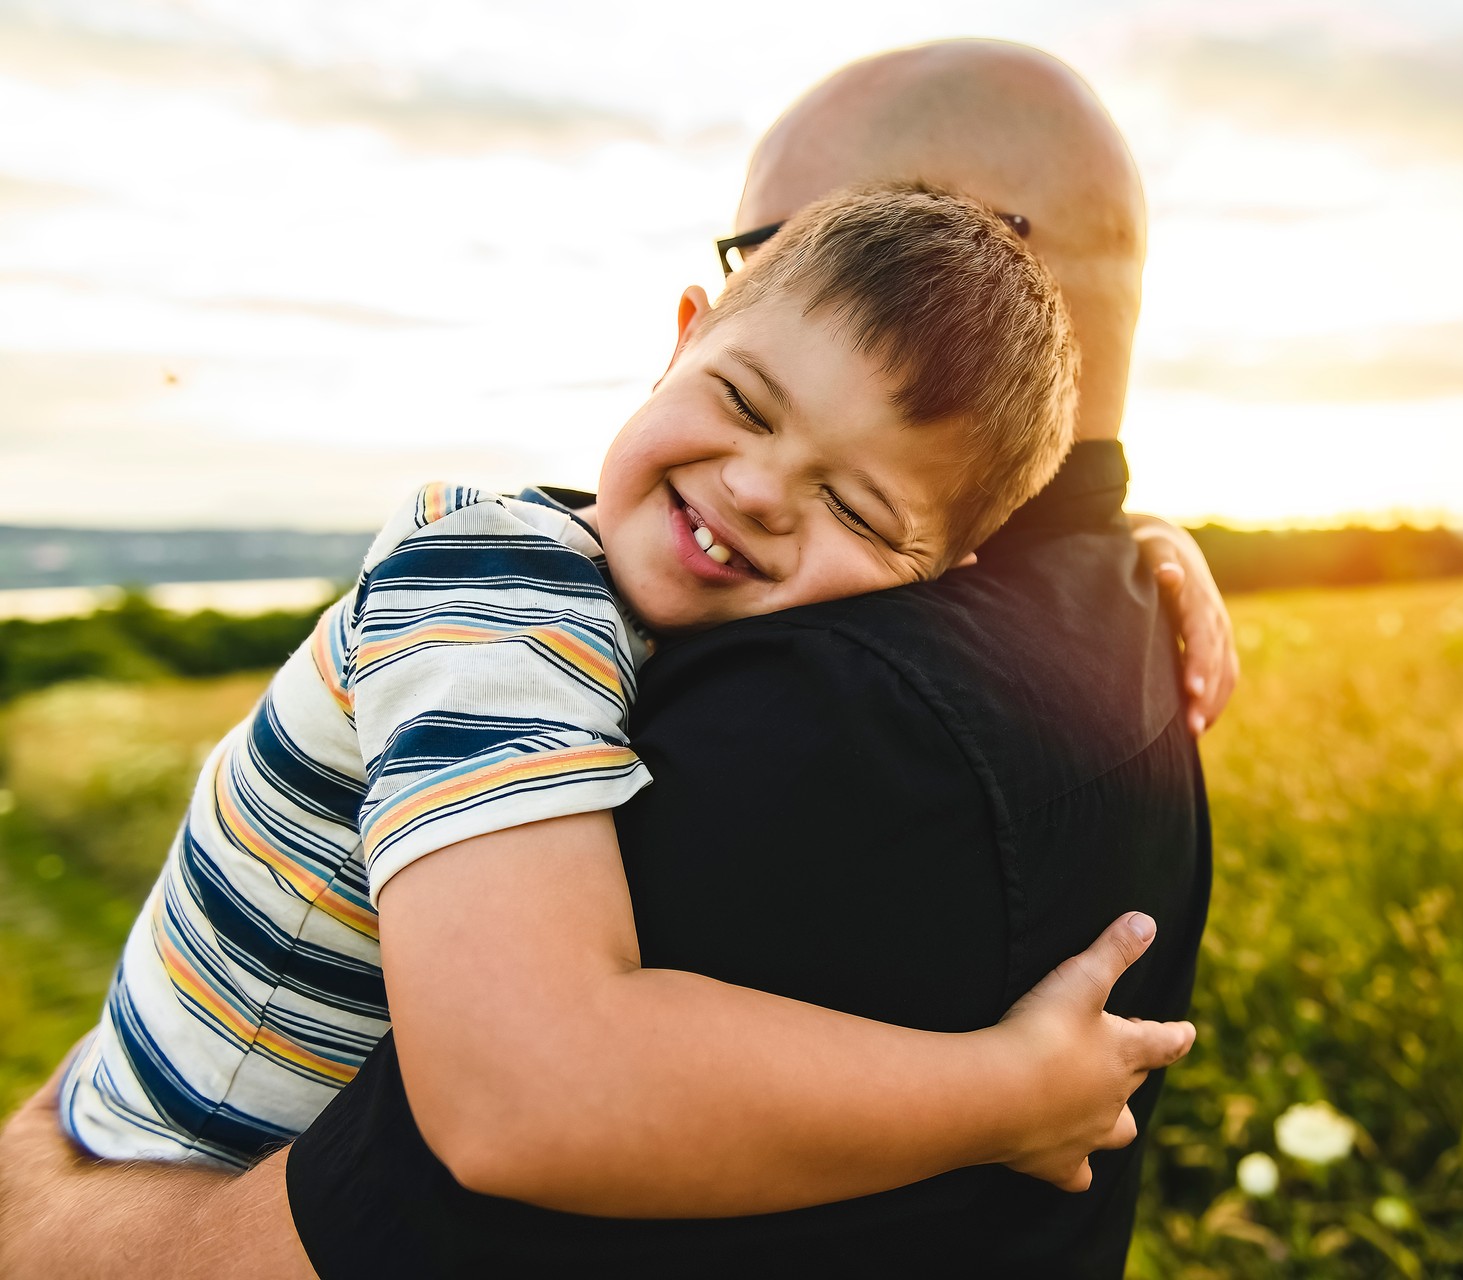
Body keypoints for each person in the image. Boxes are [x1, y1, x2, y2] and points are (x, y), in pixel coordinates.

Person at [0, 39, 1232, 1279]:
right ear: (687, 334)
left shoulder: (813, 664)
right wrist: (1004, 1092)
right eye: (747, 400)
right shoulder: (491, 592)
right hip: (163, 1168)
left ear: (948, 565)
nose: (754, 490)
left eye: (856, 507)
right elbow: (523, 1087)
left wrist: (1137, 537)